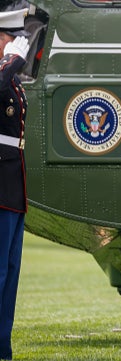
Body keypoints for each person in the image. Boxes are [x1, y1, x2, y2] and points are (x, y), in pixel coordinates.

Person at [0, 8, 30, 361]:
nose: (13, 45)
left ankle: (3, 348)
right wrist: (10, 63)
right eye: (8, 39)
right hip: (2, 186)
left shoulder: (10, 77)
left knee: (9, 274)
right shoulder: (5, 73)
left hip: (12, 185)